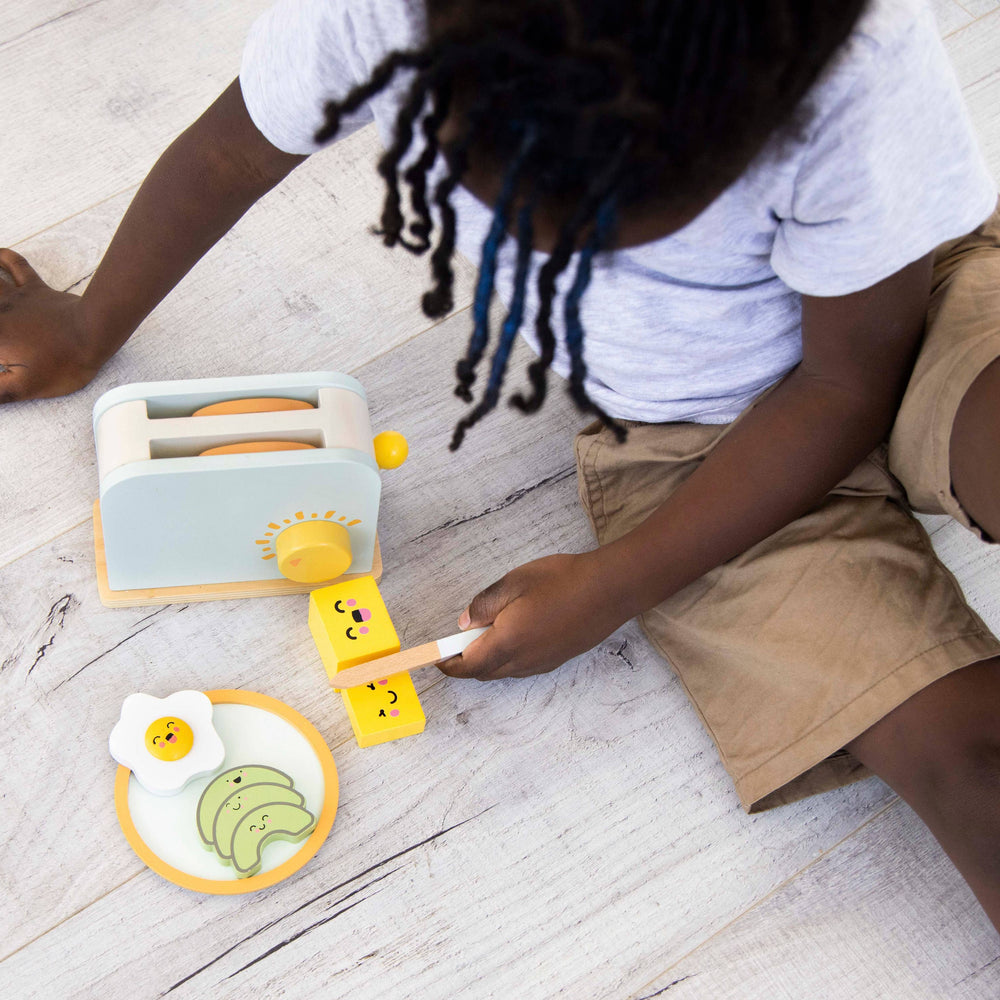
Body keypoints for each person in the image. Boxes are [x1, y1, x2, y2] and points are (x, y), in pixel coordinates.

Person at [2, 0, 999, 930]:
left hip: (906, 307)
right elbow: (230, 150)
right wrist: (90, 326)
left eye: (609, 221)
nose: (547, 242)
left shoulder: (858, 69)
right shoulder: (381, 16)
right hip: (683, 461)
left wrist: (613, 583)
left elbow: (844, 384)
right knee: (963, 761)